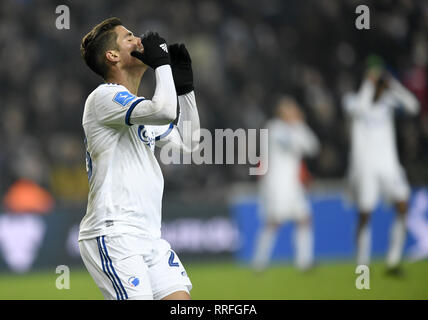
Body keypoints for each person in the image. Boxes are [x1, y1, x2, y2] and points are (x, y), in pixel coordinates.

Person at [78, 17, 200, 300]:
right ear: (113, 56)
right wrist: (163, 67)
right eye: (129, 37)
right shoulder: (103, 99)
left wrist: (186, 90)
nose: (139, 40)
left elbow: (189, 143)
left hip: (149, 235)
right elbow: (165, 111)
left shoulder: (140, 108)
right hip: (114, 231)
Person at [342, 57, 420, 275]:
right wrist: (369, 84)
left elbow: (413, 106)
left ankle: (393, 261)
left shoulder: (389, 100)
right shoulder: (354, 98)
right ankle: (362, 263)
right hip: (366, 166)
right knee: (365, 214)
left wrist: (393, 84)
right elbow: (359, 109)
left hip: (389, 165)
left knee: (402, 205)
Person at [253, 96, 320, 272]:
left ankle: (304, 262)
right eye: (288, 110)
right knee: (273, 222)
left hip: (293, 185)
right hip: (277, 184)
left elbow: (313, 147)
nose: (292, 113)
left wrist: (300, 125)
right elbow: (292, 143)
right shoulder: (274, 128)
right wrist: (297, 126)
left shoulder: (296, 128)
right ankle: (259, 262)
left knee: (304, 219)